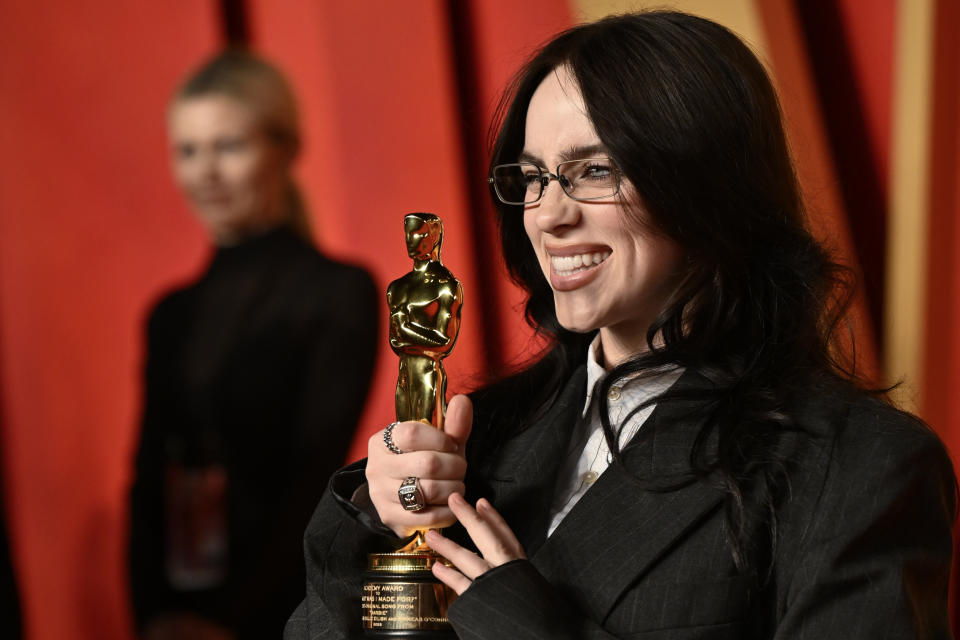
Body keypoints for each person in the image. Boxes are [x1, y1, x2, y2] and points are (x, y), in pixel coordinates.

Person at [285, 11, 956, 640]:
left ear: (706, 183)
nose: (548, 215)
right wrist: (383, 519)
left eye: (595, 170)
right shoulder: (479, 436)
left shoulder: (860, 465)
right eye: (534, 177)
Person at [129, 51, 379, 640]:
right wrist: (153, 618)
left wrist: (224, 623)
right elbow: (145, 482)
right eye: (187, 151)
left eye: (228, 147)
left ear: (285, 150)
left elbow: (314, 474)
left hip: (285, 608)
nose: (204, 173)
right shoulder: (171, 314)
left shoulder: (338, 292)